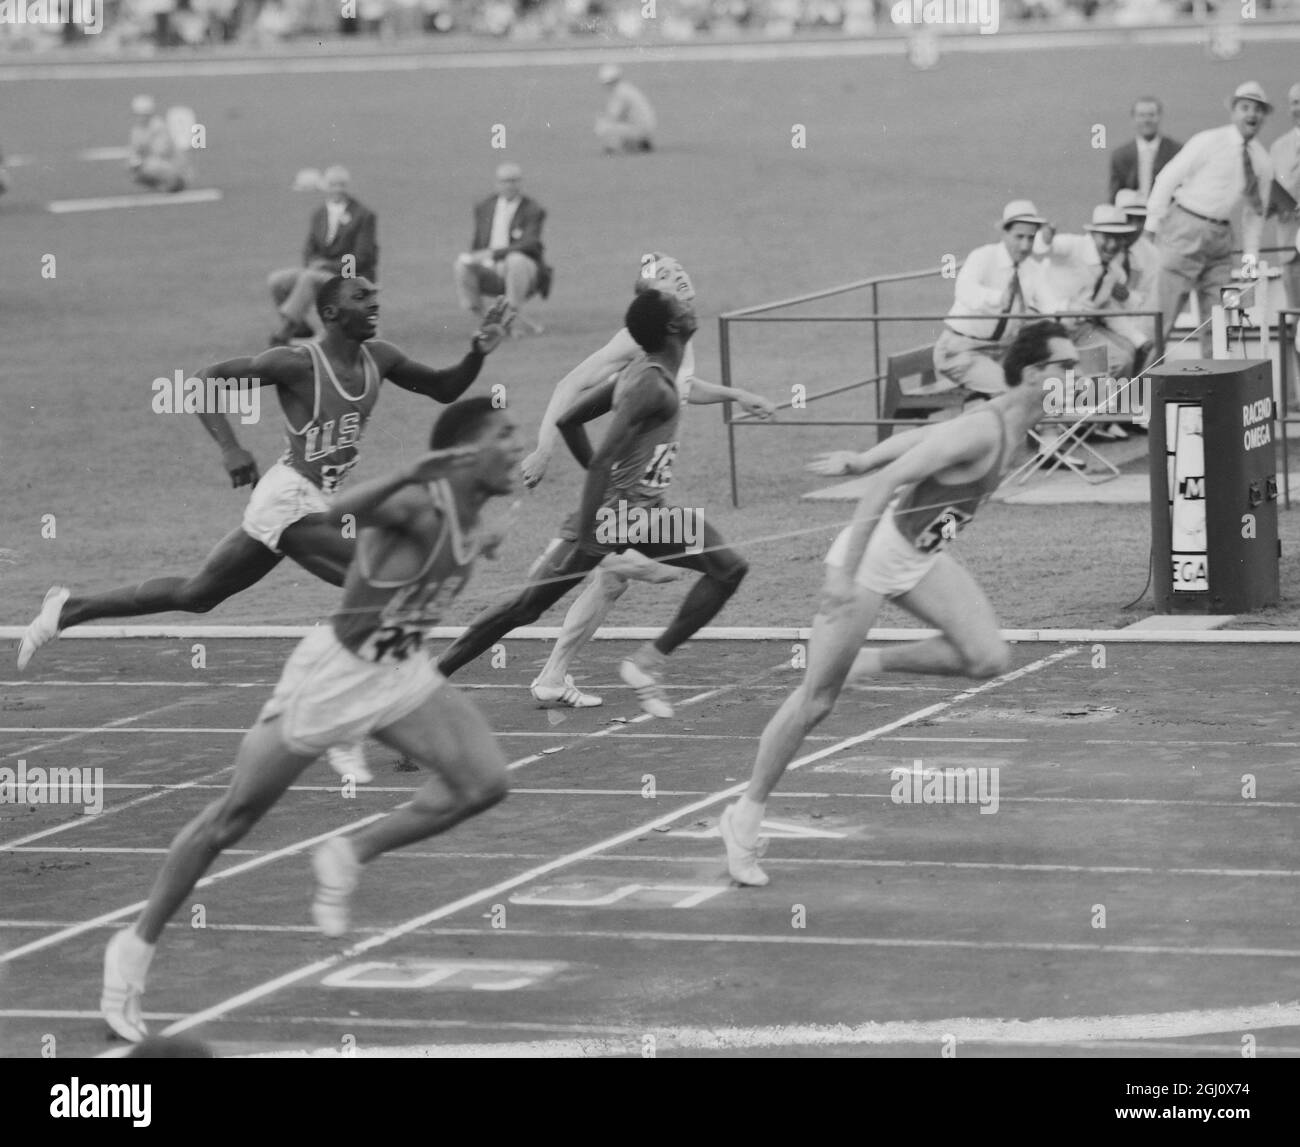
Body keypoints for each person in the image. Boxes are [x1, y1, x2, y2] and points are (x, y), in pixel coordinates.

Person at [100, 398, 522, 1043]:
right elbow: (334, 511)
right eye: (505, 436)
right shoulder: (418, 504)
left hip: (400, 673)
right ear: (463, 453)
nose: (517, 447)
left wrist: (479, 540)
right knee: (230, 820)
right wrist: (412, 471)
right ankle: (131, 951)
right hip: (336, 678)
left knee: (485, 783)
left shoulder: (471, 513)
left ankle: (350, 851)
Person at [16, 280, 509, 781]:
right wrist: (230, 448)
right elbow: (204, 381)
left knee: (199, 594)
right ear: (333, 313)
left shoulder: (379, 357)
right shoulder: (295, 363)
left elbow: (444, 388)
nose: (376, 301)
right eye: (362, 297)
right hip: (289, 500)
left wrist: (477, 351)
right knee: (377, 583)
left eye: (376, 294)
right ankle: (346, 721)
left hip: (312, 499)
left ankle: (69, 609)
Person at [718, 321, 1079, 886]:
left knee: (987, 658)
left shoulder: (1007, 423)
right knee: (815, 703)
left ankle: (873, 661)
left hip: (919, 561)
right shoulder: (985, 432)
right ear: (1034, 374)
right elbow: (887, 486)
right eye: (1067, 367)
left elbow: (918, 444)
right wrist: (841, 572)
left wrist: (862, 457)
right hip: (867, 565)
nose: (1077, 376)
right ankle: (744, 818)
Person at [437, 290, 748, 718]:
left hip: (647, 515)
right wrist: (593, 527)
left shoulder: (650, 372)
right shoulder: (651, 385)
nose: (690, 306)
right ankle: (429, 680)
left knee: (729, 567)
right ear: (672, 328)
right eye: (681, 307)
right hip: (614, 517)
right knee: (526, 606)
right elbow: (600, 458)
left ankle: (646, 664)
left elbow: (571, 420)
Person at [522, 254, 776, 708]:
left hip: (640, 494)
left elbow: (684, 387)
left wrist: (736, 394)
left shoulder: (679, 334)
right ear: (653, 294)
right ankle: (596, 561)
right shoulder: (632, 340)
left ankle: (553, 674)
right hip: (621, 494)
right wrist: (543, 448)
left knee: (610, 583)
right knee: (552, 592)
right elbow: (569, 386)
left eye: (681, 269)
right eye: (668, 276)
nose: (681, 275)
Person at [1145, 82, 1275, 355]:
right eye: (1245, 107)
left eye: (1258, 110)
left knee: (1218, 322)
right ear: (1234, 112)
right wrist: (1151, 228)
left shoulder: (1262, 162)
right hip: (1184, 230)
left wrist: (1250, 262)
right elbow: (1168, 178)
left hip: (1220, 243)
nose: (1252, 115)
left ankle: (1215, 392)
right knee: (1160, 320)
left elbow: (1254, 215)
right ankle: (1138, 391)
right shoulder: (1209, 140)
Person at [932, 200, 1065, 397]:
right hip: (961, 350)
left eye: (1031, 238)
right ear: (1004, 233)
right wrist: (997, 299)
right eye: (1019, 237)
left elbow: (1051, 305)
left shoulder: (1032, 269)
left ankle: (1055, 427)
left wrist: (1068, 311)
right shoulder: (983, 257)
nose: (1025, 245)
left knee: (1045, 383)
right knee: (1013, 392)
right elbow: (965, 290)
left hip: (1003, 351)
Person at [1034, 204, 1150, 381]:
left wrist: (1139, 340)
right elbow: (1044, 247)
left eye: (1118, 238)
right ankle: (1073, 389)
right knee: (1096, 364)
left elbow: (1109, 311)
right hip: (1048, 326)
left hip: (1080, 331)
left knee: (1124, 358)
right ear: (1093, 234)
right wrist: (1047, 235)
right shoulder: (1074, 246)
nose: (1112, 245)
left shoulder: (1114, 272)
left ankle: (1099, 403)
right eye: (1106, 237)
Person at [268, 166, 378, 346]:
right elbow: (309, 249)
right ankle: (301, 328)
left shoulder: (363, 215)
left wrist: (328, 266)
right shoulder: (319, 214)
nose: (337, 189)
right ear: (326, 187)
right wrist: (312, 264)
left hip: (349, 275)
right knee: (277, 280)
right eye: (333, 185)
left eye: (341, 185)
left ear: (348, 186)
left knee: (309, 278)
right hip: (320, 271)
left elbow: (363, 256)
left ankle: (286, 330)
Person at [454, 163, 552, 328]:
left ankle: (511, 317)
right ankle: (486, 321)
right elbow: (478, 242)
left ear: (521, 183)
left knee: (515, 260)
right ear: (497, 183)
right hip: (490, 270)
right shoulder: (484, 207)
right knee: (462, 266)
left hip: (524, 271)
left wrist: (493, 254)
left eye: (514, 181)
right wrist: (476, 258)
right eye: (505, 181)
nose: (509, 185)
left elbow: (529, 243)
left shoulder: (533, 209)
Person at [1268, 83, 1300, 336]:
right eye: (1294, 102)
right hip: (1291, 250)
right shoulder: (1278, 147)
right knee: (1295, 321)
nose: (1298, 108)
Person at [1108, 96, 1182, 202]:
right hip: (1132, 216)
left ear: (1159, 117)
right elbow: (1115, 196)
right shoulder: (1120, 156)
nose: (1147, 120)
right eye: (1141, 115)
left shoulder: (1176, 152)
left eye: (1151, 115)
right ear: (1134, 118)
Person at [127, 95, 190, 193]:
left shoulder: (158, 127)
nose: (139, 118)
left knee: (150, 165)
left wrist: (140, 160)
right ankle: (161, 185)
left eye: (142, 114)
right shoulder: (137, 130)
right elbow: (135, 150)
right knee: (133, 167)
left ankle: (175, 183)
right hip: (159, 163)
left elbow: (160, 152)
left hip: (174, 166)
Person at [595, 65, 656, 154]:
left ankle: (612, 148)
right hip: (646, 127)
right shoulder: (626, 88)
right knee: (613, 125)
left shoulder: (619, 93)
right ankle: (638, 143)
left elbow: (613, 115)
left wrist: (601, 118)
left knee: (603, 126)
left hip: (639, 129)